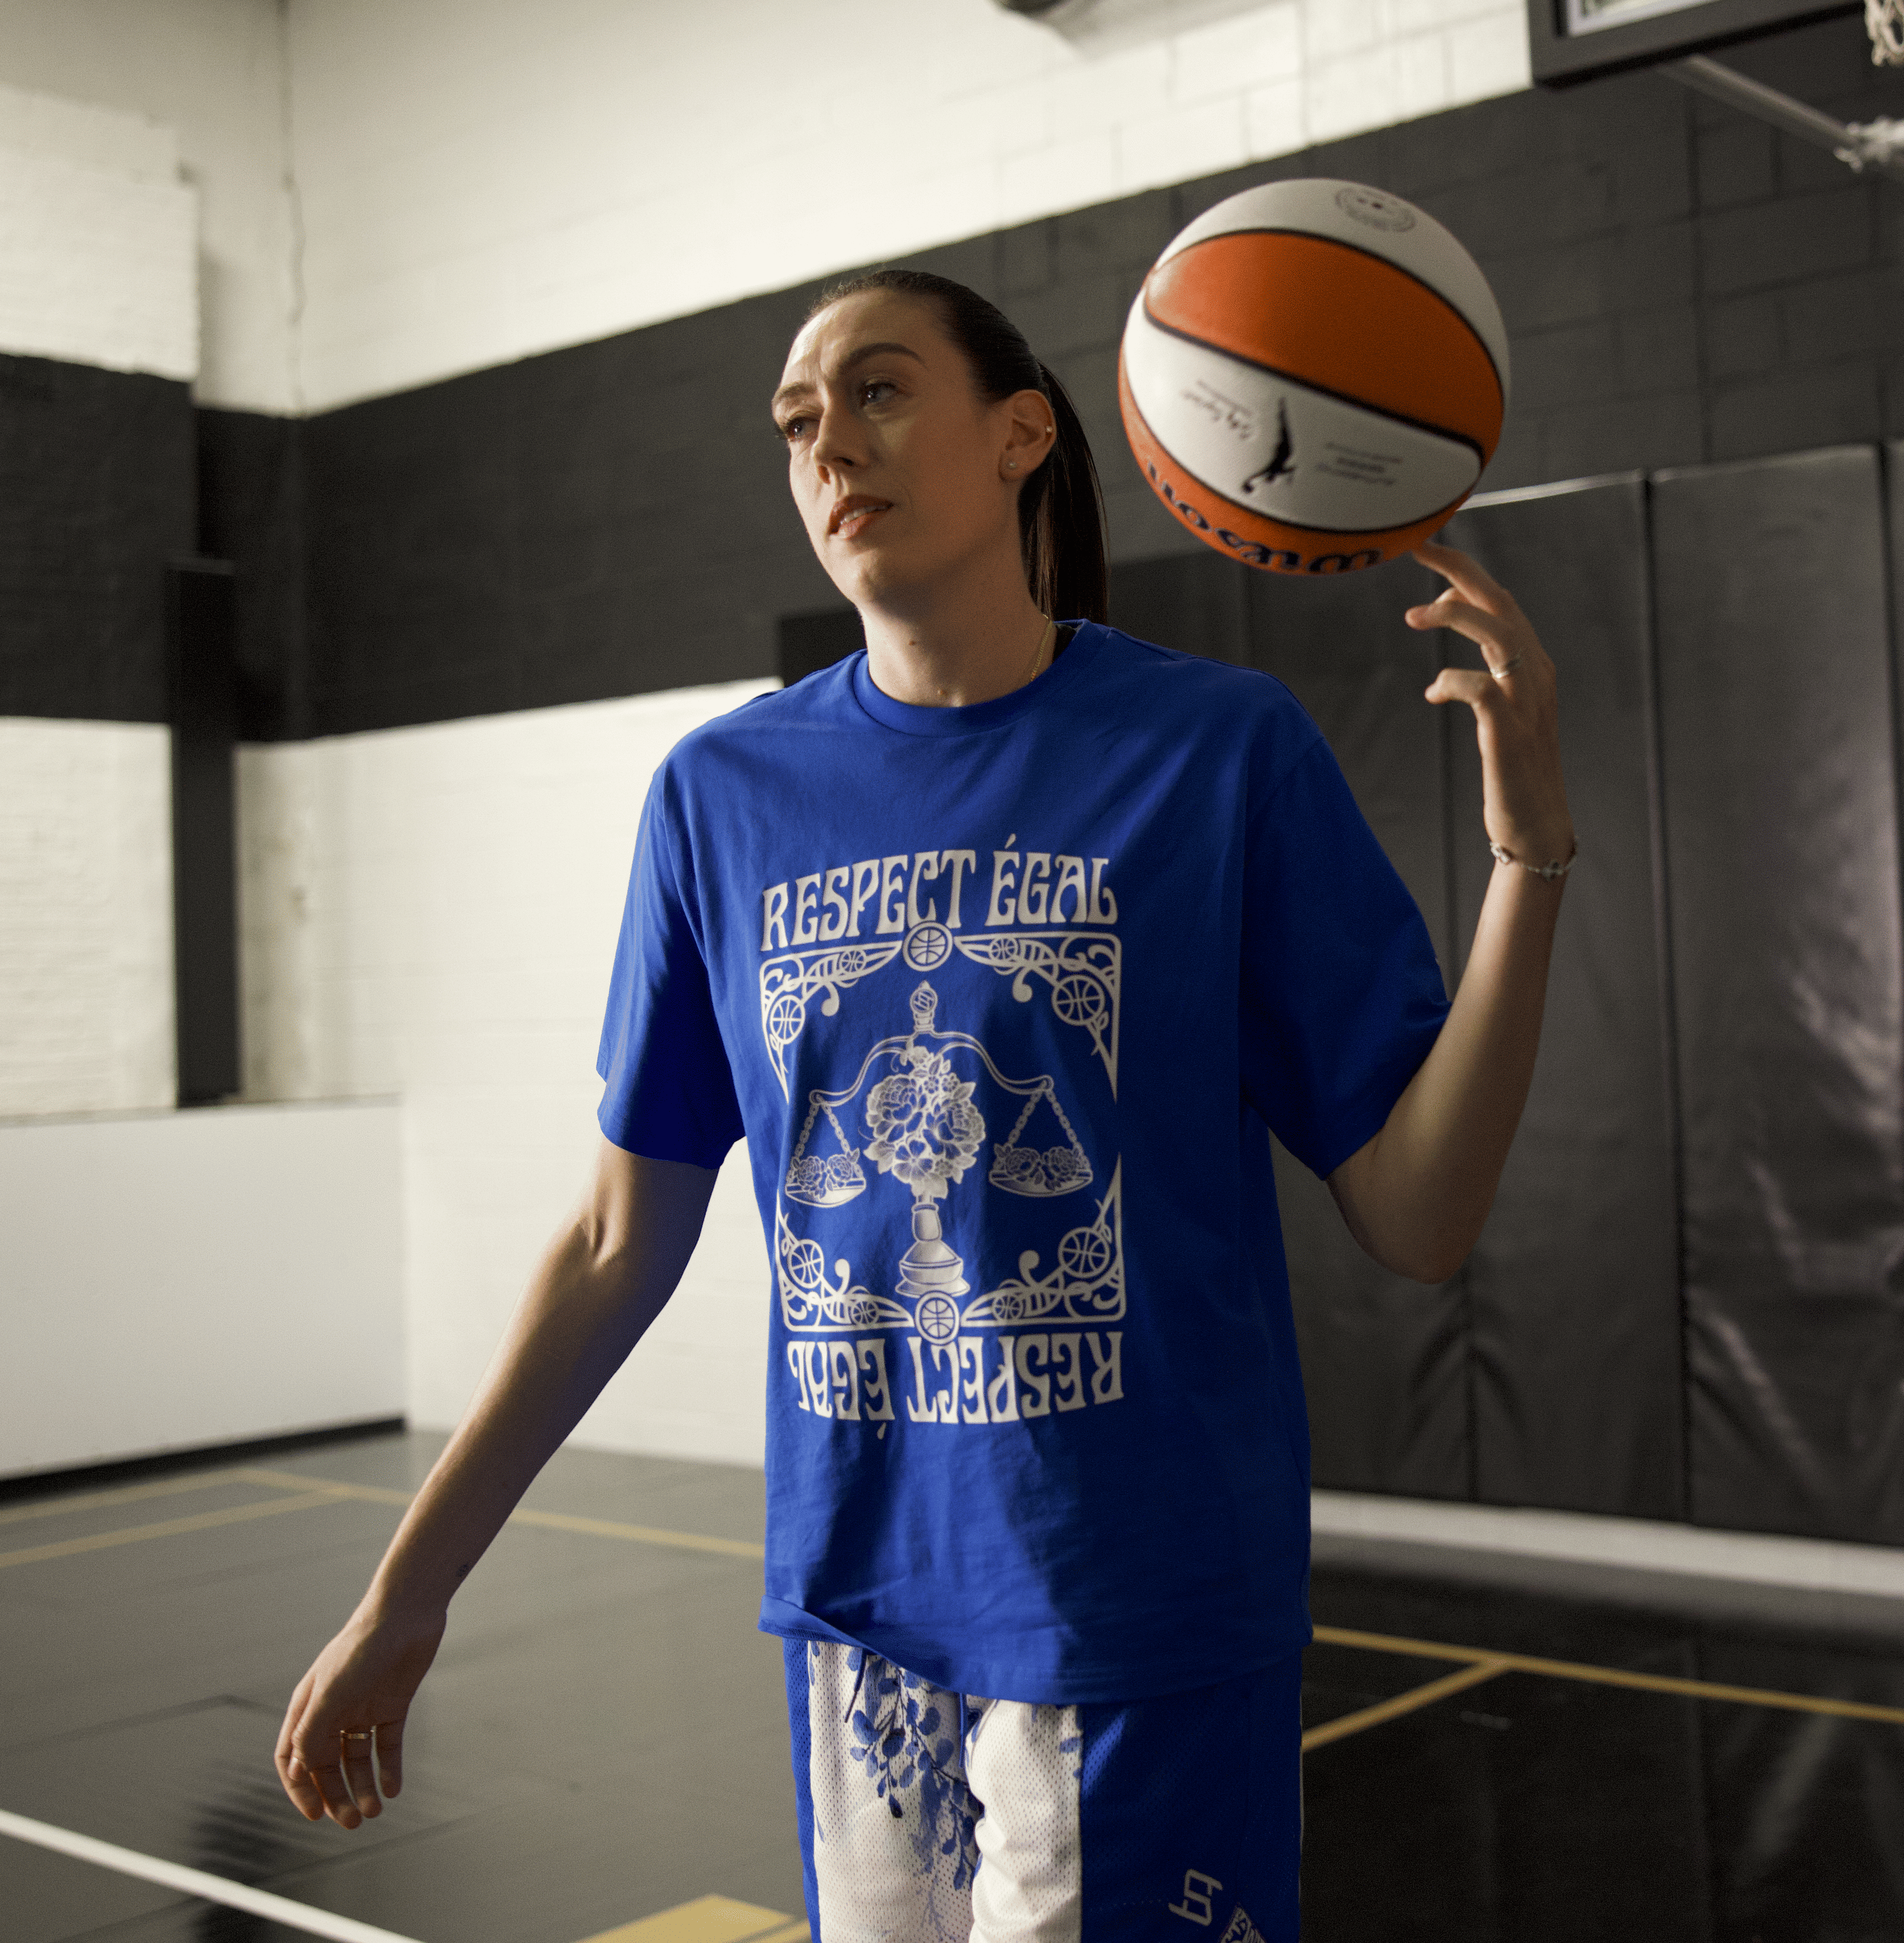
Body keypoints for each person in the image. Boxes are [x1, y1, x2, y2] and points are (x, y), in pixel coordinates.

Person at [273, 268, 1573, 1941]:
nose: (830, 446)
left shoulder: (1215, 754)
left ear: (1022, 431)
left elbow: (1418, 1212)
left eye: (879, 393)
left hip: (1139, 1620)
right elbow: (615, 1245)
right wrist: (408, 1593)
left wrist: (1532, 856)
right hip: (860, 1614)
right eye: (798, 423)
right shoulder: (720, 798)